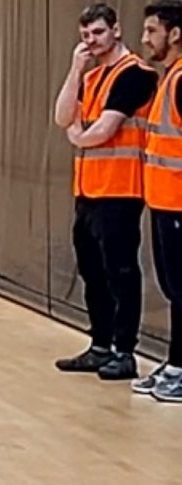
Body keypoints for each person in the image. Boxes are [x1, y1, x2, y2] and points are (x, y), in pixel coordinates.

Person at [52, 3, 157, 380]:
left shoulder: (136, 75)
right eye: (84, 36)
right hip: (88, 189)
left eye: (97, 33)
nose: (91, 42)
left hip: (121, 188)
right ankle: (100, 344)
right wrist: (75, 68)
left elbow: (104, 128)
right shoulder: (91, 75)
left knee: (121, 270)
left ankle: (125, 351)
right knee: (92, 270)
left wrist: (80, 135)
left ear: (115, 30)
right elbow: (62, 116)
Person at [133, 0, 182, 401]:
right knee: (173, 288)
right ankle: (176, 361)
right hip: (164, 201)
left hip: (180, 205)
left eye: (152, 31)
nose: (145, 39)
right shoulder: (170, 77)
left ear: (175, 34)